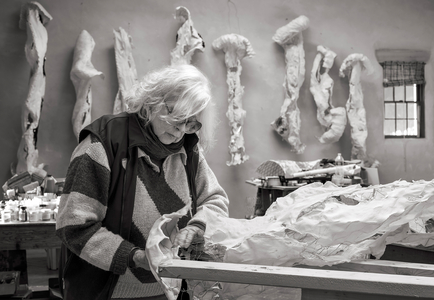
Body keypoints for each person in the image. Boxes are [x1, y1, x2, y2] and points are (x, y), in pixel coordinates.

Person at [56, 64, 230, 300]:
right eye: (175, 117)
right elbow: (74, 226)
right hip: (107, 293)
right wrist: (136, 257)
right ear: (152, 102)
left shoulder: (189, 149)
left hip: (171, 291)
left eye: (191, 122)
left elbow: (215, 199)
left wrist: (197, 227)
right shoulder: (103, 144)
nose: (180, 131)